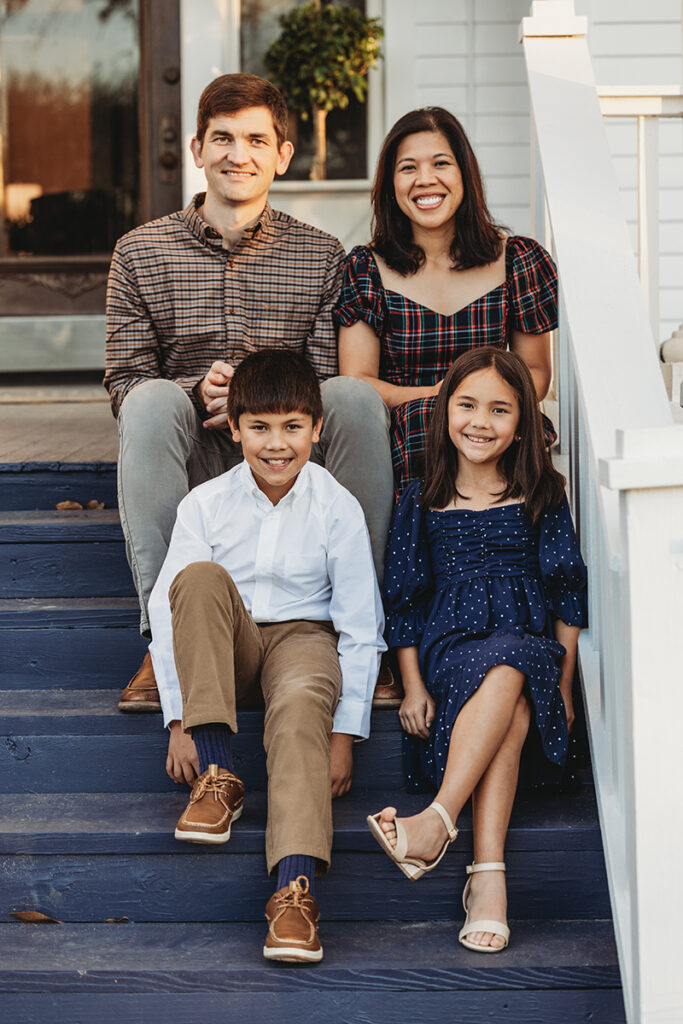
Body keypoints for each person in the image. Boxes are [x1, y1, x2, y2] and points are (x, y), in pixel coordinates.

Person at [105, 72, 394, 712]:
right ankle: (164, 642)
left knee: (353, 396)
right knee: (150, 401)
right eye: (224, 138)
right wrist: (193, 387)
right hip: (194, 451)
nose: (240, 155)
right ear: (197, 149)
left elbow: (322, 380)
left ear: (283, 155)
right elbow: (125, 380)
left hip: (287, 455)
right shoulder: (137, 252)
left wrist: (257, 399)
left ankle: (364, 640)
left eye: (257, 140)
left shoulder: (322, 255)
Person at [147, 348, 385, 963]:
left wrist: (344, 733)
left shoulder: (336, 506)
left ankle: (293, 893)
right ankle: (218, 773)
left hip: (305, 641)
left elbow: (360, 625)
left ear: (317, 429)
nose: (276, 445)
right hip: (230, 645)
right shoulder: (205, 503)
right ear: (234, 429)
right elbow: (163, 610)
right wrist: (179, 721)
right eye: (259, 427)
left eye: (292, 427)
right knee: (196, 579)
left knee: (303, 697)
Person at [366, 347, 587, 953]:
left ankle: (440, 824)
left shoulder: (542, 492)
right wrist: (411, 684)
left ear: (522, 424)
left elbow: (567, 592)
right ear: (443, 413)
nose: (480, 422)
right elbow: (404, 598)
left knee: (515, 668)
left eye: (499, 409)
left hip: (532, 649)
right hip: (452, 644)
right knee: (508, 679)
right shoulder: (421, 497)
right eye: (466, 405)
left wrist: (564, 689)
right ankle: (484, 878)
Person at [335, 106, 557, 495]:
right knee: (426, 418)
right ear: (390, 184)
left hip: (493, 427)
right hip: (406, 432)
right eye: (408, 168)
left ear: (464, 175)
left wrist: (477, 408)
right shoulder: (367, 267)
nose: (425, 180)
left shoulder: (517, 260)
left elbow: (535, 373)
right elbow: (358, 382)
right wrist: (442, 398)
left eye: (441, 163)